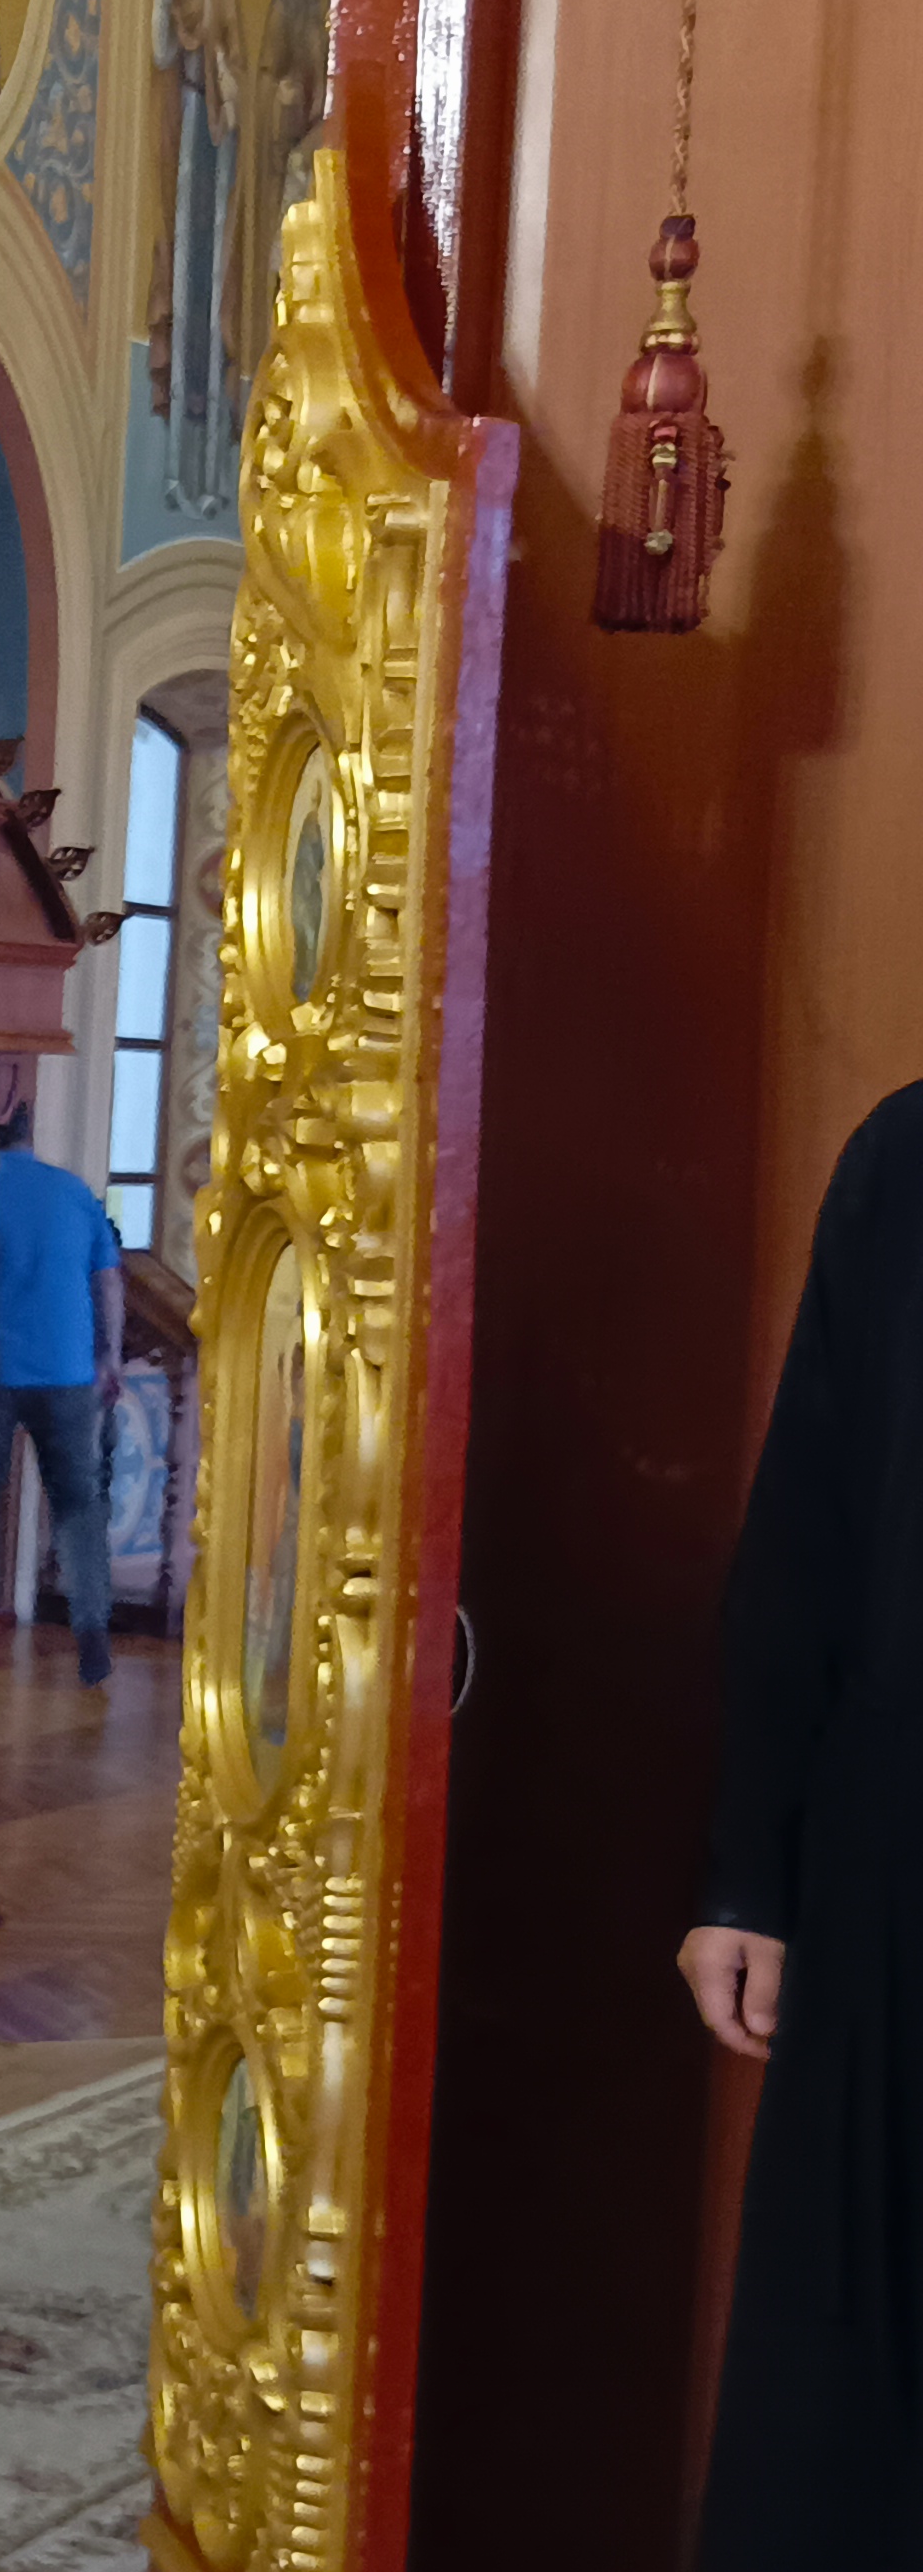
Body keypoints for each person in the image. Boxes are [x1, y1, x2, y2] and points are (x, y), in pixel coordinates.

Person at [683, 1090, 923, 2560]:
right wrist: (748, 1877)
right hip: (893, 1873)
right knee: (851, 2418)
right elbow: (805, 1533)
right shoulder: (907, 1161)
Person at [0, 1105, 126, 1684]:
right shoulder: (74, 1192)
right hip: (67, 1370)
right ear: (31, 1131)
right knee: (79, 1506)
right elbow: (108, 1280)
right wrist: (110, 1356)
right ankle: (93, 1634)